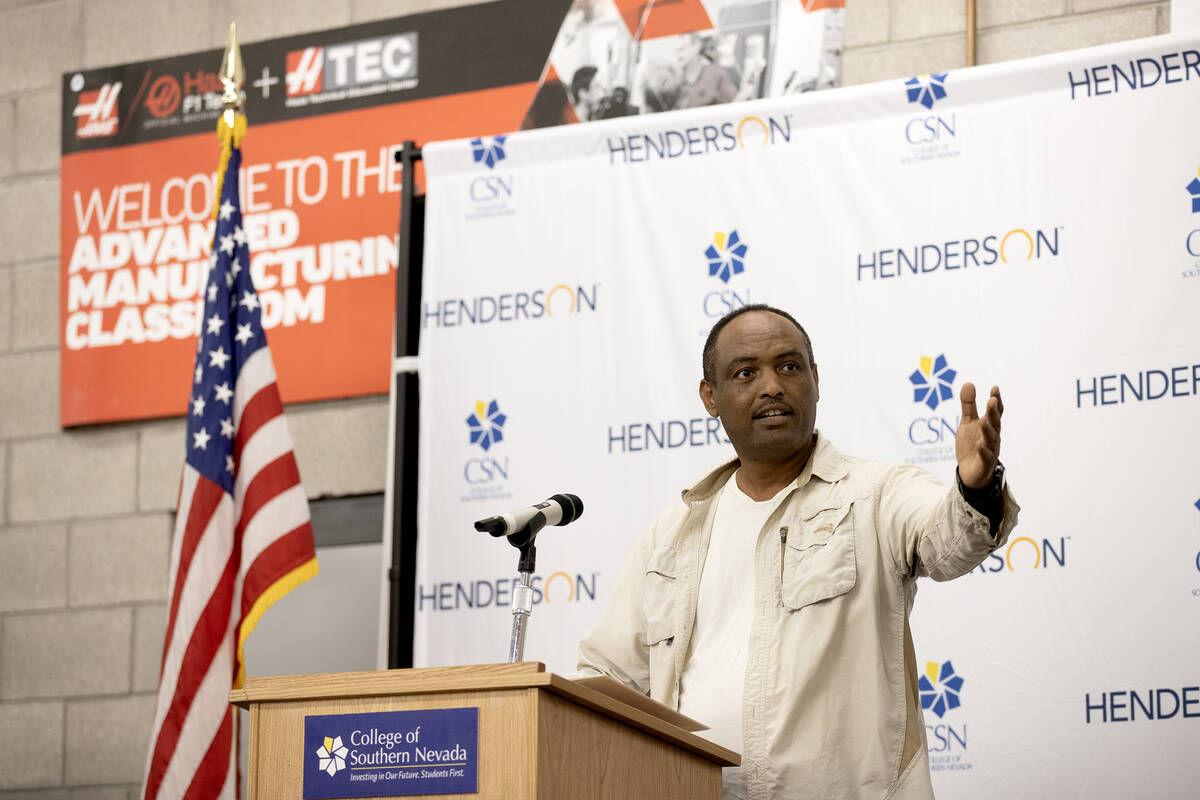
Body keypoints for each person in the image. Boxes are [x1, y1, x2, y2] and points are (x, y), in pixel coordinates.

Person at [577, 304, 1019, 800]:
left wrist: (975, 487)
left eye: (789, 366)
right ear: (711, 397)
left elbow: (948, 541)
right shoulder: (669, 537)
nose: (772, 386)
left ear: (815, 379)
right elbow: (607, 678)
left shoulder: (875, 493)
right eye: (746, 372)